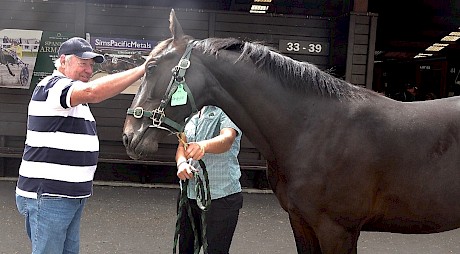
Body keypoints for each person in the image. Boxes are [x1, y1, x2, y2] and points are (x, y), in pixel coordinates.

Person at [15, 37, 148, 253]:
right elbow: (93, 92)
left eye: (91, 65)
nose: (88, 70)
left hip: (68, 195)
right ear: (63, 60)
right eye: (82, 63)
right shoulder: (53, 86)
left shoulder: (72, 95)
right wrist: (142, 69)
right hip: (50, 195)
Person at [175, 106, 243, 254]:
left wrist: (202, 146)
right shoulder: (191, 113)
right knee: (185, 250)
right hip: (189, 195)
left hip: (221, 197)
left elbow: (227, 138)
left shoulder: (227, 109)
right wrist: (181, 163)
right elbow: (182, 145)